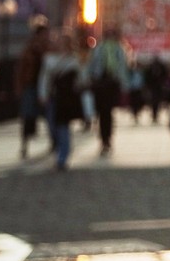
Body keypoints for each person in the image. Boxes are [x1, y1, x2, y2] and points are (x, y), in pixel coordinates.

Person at [38, 30, 83, 171]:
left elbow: (80, 79)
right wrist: (43, 94)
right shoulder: (49, 59)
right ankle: (61, 147)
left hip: (66, 98)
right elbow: (44, 78)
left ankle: (63, 156)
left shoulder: (73, 60)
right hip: (53, 96)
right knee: (52, 125)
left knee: (63, 126)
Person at [85, 26, 129, 156]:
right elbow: (92, 65)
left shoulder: (117, 49)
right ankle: (105, 139)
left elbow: (122, 68)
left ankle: (106, 139)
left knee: (106, 113)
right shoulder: (100, 49)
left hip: (110, 84)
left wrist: (123, 85)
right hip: (101, 84)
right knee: (103, 113)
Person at [14, 17, 49, 159]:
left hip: (44, 87)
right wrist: (19, 86)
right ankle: (24, 145)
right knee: (28, 116)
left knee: (49, 116)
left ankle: (54, 141)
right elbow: (21, 70)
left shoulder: (48, 48)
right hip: (31, 86)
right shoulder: (29, 49)